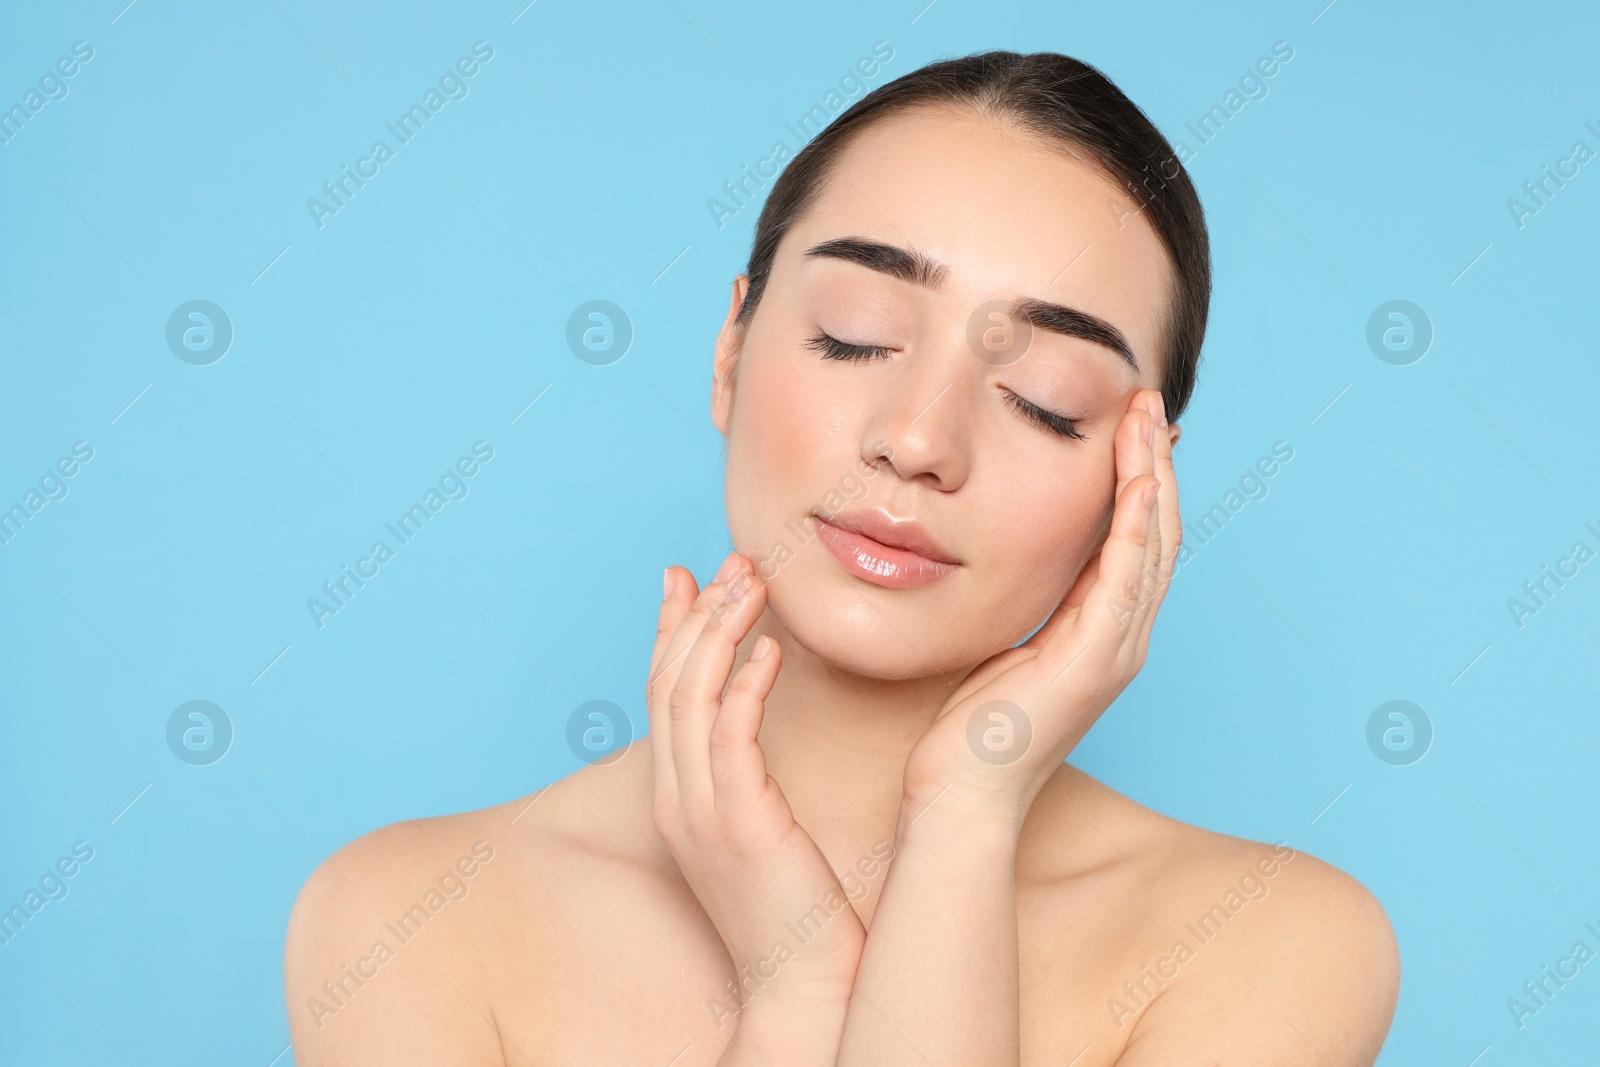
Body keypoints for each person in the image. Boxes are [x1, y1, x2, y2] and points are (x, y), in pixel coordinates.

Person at [284, 50, 1399, 1065]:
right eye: (854, 332)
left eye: (1044, 400)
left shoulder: (1270, 939)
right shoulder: (404, 920)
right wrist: (798, 992)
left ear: (1139, 478)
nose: (916, 441)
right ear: (729, 349)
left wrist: (965, 810)